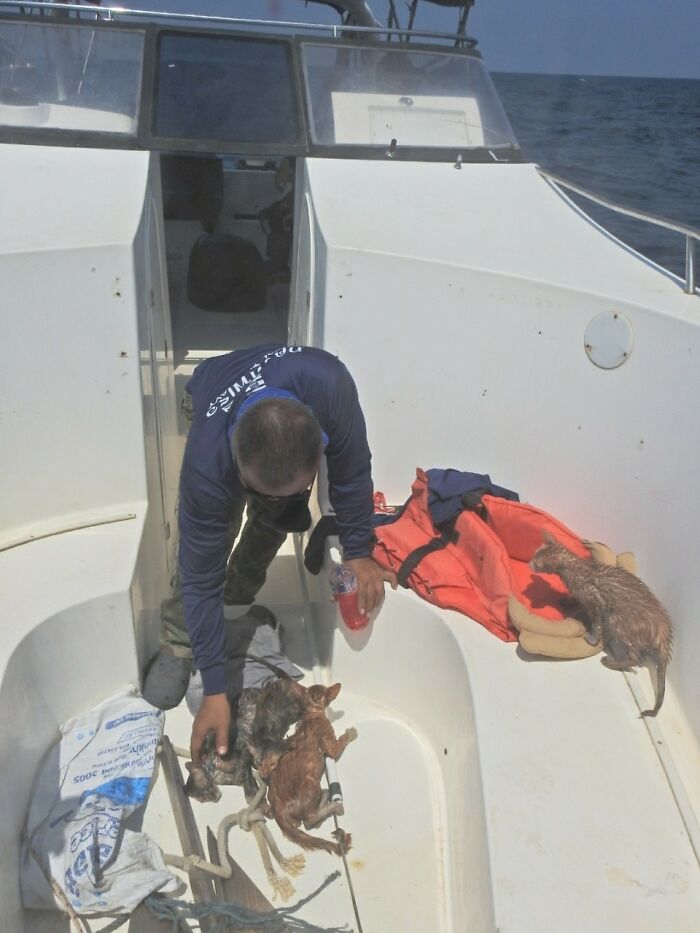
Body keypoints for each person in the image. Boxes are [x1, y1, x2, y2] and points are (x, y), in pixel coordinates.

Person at [143, 343, 396, 763]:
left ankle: (238, 600)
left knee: (279, 519)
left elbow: (352, 473)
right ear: (237, 467)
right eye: (260, 490)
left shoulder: (331, 386)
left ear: (320, 443)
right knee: (211, 535)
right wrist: (216, 689)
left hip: (289, 412)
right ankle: (179, 641)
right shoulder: (208, 464)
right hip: (210, 395)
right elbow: (201, 575)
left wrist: (358, 551)